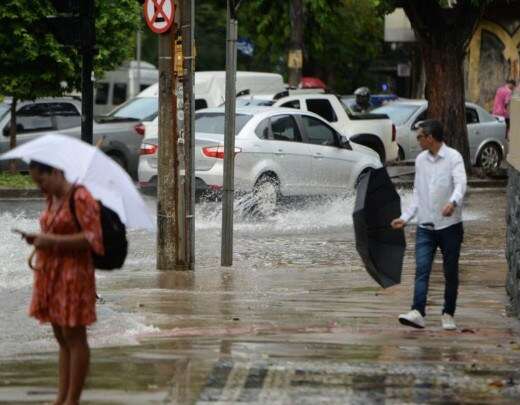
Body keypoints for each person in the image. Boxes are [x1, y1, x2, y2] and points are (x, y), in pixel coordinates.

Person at [21, 161, 103, 405]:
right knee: (60, 336)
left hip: (74, 274)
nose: (40, 187)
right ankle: (61, 398)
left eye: (42, 181)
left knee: (74, 335)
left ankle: (72, 400)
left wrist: (51, 240)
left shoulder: (80, 196)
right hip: (51, 274)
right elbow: (52, 232)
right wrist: (38, 239)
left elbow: (93, 239)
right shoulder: (52, 198)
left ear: (55, 172)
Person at [391, 120, 467, 331]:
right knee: (422, 269)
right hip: (425, 225)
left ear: (430, 138)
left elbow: (461, 183)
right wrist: (405, 217)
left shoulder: (453, 157)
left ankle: (448, 313)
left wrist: (453, 202)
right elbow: (418, 192)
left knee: (450, 272)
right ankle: (417, 312)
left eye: (419, 137)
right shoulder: (420, 161)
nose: (418, 141)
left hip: (450, 226)